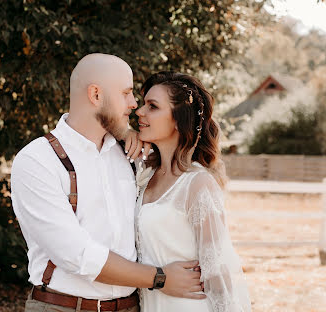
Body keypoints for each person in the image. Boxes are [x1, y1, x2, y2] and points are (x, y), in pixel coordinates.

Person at [11, 54, 204, 312]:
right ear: (96, 95)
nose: (134, 104)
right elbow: (76, 254)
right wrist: (160, 278)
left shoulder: (132, 155)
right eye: (126, 93)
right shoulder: (38, 160)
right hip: (63, 307)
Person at [134, 71, 252, 312]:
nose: (139, 111)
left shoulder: (197, 184)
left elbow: (217, 272)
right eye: (143, 103)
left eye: (152, 106)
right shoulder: (145, 176)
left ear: (178, 120)